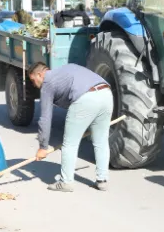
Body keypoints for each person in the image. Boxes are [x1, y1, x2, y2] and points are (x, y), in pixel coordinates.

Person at [28, 62, 113, 192]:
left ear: (40, 74)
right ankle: (102, 181)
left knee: (69, 144)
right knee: (101, 141)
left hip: (86, 98)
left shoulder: (47, 83)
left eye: (33, 80)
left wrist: (42, 147)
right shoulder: (65, 70)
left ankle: (66, 182)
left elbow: (45, 118)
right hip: (106, 94)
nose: (34, 85)